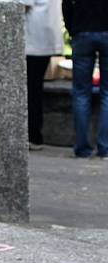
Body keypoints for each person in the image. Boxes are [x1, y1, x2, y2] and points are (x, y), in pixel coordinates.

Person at [63, 0, 108, 159]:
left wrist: (72, 28)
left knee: (81, 92)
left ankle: (82, 148)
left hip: (82, 31)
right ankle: (105, 148)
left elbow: (67, 5)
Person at [21, 0, 63, 151]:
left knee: (30, 90)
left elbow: (22, 6)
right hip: (46, 38)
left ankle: (32, 135)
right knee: (35, 88)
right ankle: (34, 134)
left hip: (33, 41)